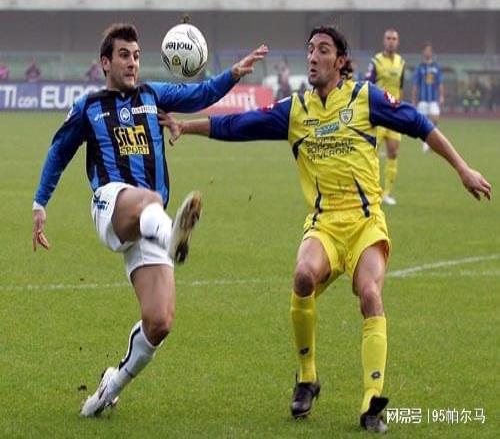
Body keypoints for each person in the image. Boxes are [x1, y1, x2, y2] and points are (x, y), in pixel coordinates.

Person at [159, 25, 491, 433]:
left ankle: (371, 402)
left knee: (369, 294)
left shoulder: (365, 98)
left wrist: (463, 169)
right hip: (324, 224)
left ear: (341, 61)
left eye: (323, 50)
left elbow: (419, 123)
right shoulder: (295, 110)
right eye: (310, 49)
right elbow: (238, 125)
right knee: (302, 276)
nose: (313, 56)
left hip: (366, 223)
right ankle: (307, 378)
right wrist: (185, 126)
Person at [32, 23, 267, 417]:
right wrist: (40, 203)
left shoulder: (152, 95)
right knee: (150, 199)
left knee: (159, 322)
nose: (132, 63)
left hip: (150, 224)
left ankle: (109, 388)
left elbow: (200, 94)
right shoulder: (89, 107)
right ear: (105, 62)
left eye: (137, 56)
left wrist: (234, 74)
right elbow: (59, 152)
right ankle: (171, 234)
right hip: (112, 206)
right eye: (124, 55)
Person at [365, 29, 405, 206]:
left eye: (394, 38)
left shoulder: (401, 63)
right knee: (369, 153)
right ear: (384, 41)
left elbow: (400, 88)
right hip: (379, 114)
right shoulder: (376, 61)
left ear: (398, 41)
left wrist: (400, 108)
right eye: (388, 38)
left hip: (394, 115)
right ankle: (369, 189)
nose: (391, 41)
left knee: (393, 152)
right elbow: (368, 85)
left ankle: (387, 193)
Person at [412, 43, 444, 153]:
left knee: (435, 119)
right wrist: (414, 99)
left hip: (433, 99)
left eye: (429, 50)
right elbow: (415, 84)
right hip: (422, 100)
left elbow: (440, 83)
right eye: (426, 50)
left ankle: (435, 142)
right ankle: (425, 144)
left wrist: (441, 96)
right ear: (423, 52)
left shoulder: (436, 67)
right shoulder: (419, 67)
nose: (428, 52)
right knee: (423, 123)